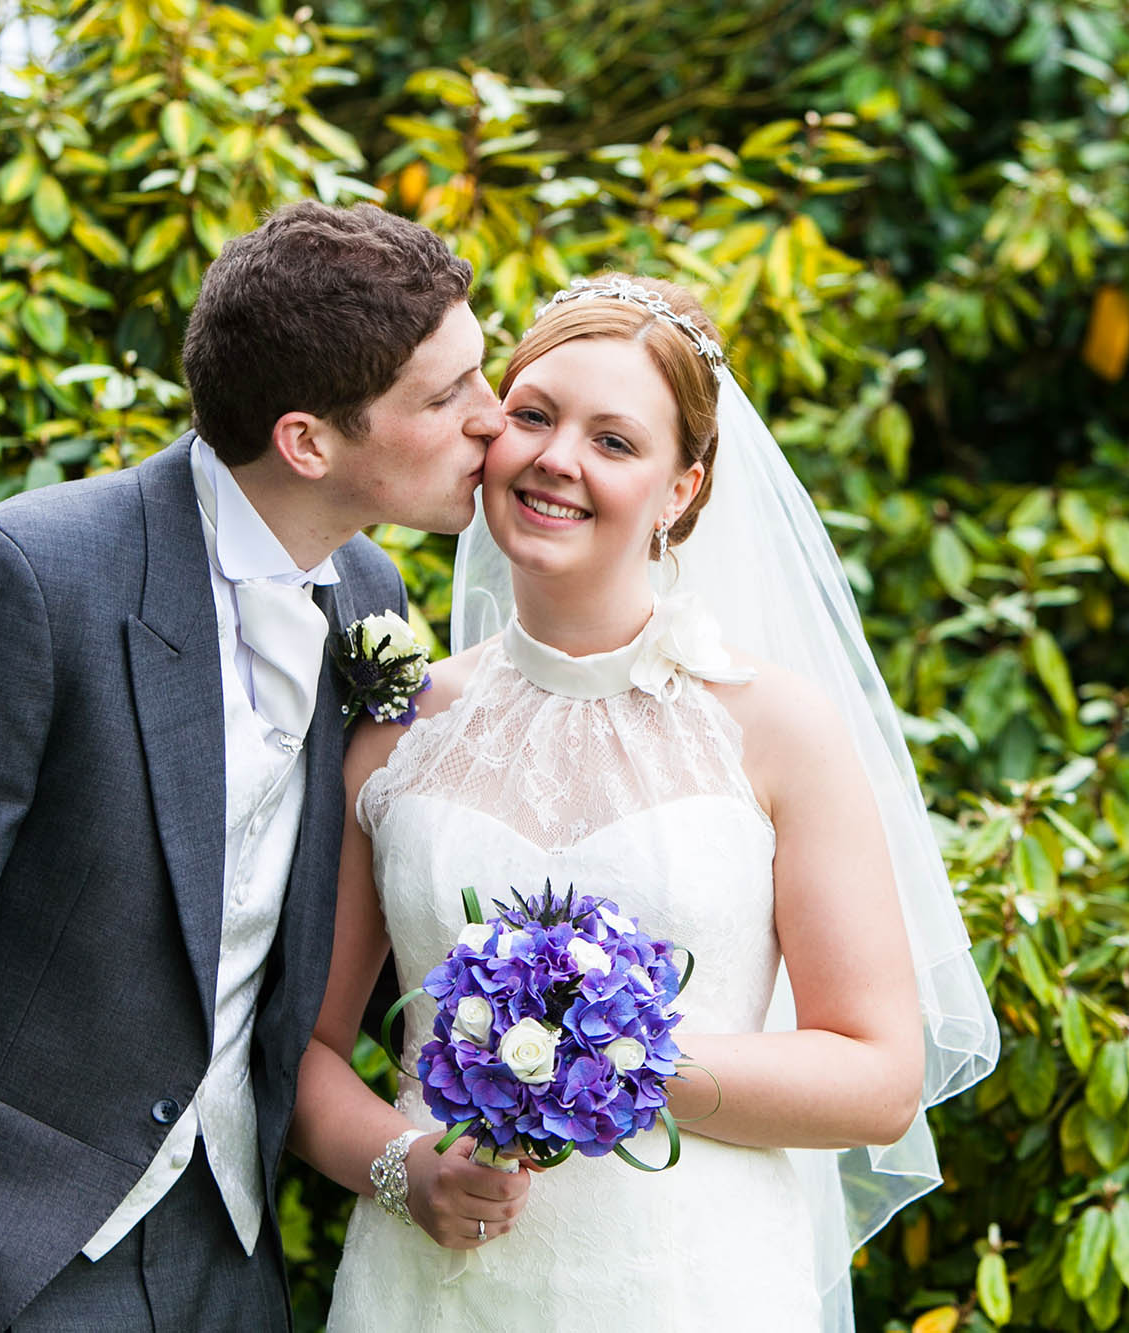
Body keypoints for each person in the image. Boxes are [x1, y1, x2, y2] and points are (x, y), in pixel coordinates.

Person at [0, 201, 506, 1333]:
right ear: (307, 440)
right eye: (447, 397)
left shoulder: (367, 600)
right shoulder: (25, 582)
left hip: (228, 1263)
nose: (494, 424)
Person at [289, 274, 998, 1331]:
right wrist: (405, 1166)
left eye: (614, 442)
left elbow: (877, 1074)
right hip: (430, 1294)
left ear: (681, 489)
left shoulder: (777, 730)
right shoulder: (396, 726)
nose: (557, 458)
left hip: (690, 1287)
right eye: (532, 416)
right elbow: (305, 1049)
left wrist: (612, 1057)